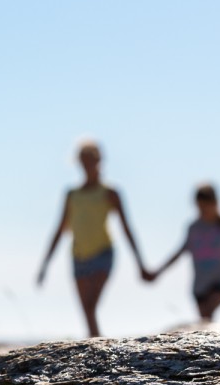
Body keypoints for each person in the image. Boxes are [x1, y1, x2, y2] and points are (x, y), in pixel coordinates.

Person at [37, 140, 148, 338]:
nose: (87, 166)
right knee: (87, 312)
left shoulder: (110, 193)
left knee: (90, 307)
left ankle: (98, 350)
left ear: (99, 161)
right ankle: (96, 346)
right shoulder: (72, 194)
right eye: (83, 162)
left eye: (91, 161)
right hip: (78, 256)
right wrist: (45, 264)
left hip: (103, 254)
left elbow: (126, 228)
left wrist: (140, 264)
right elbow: (59, 229)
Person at [146, 182, 220, 322]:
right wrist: (158, 272)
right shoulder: (194, 228)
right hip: (199, 286)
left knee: (208, 312)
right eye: (199, 207)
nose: (202, 211)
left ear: (215, 203)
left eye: (205, 207)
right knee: (204, 320)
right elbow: (179, 253)